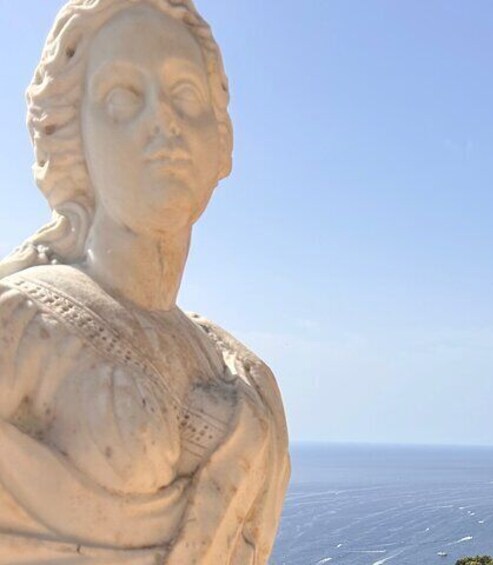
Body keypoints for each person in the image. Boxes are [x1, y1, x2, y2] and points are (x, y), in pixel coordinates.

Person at [0, 1, 289, 562]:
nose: (163, 121)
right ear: (71, 139)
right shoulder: (20, 328)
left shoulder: (249, 382)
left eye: (185, 96)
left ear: (220, 144)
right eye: (121, 98)